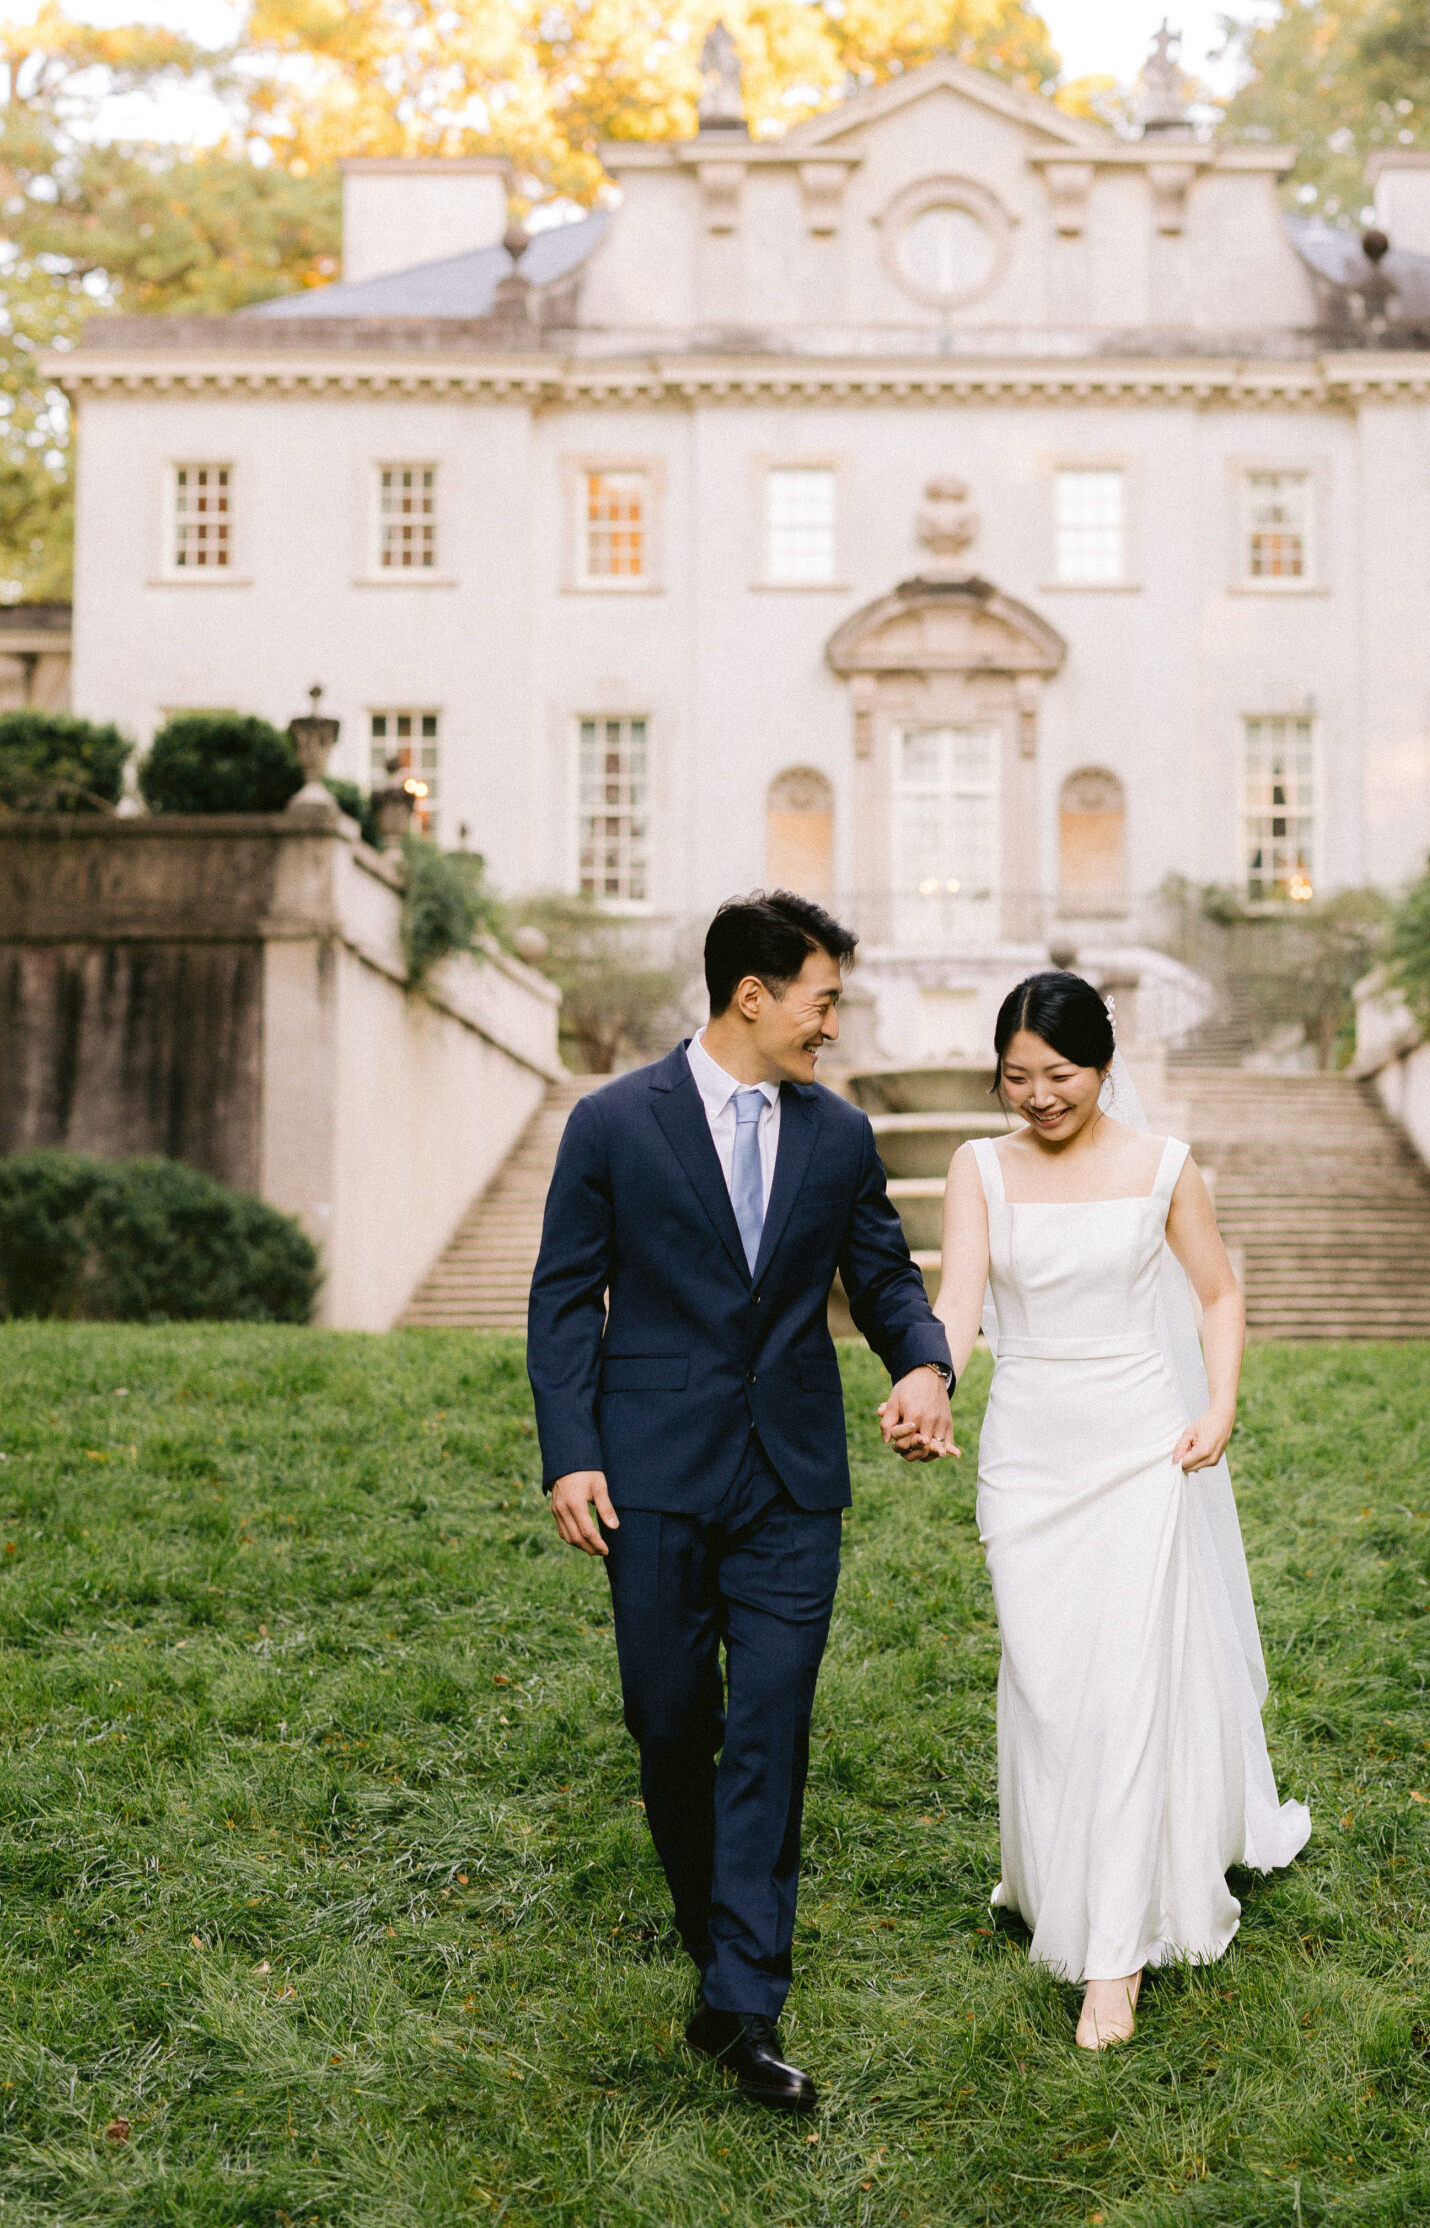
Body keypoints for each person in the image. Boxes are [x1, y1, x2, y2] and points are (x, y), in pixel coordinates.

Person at [526, 892, 954, 2112]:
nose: (834, 1022)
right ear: (751, 995)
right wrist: (572, 1452)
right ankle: (716, 1928)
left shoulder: (841, 1134)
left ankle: (741, 1999)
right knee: (670, 1725)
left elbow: (881, 1273)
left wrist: (921, 1362)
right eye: (822, 998)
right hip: (650, 1476)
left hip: (792, 1483)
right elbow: (565, 1300)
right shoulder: (611, 1123)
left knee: (769, 1727)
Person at [922, 970, 1311, 2049]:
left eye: (1059, 1074)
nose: (1037, 1097)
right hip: (1030, 1455)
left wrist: (1221, 1401)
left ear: (1102, 1065)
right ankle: (1056, 1878)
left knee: (1132, 1680)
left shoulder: (1164, 1167)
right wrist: (932, 1380)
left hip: (1142, 1441)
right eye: (1015, 1077)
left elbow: (1218, 1292)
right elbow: (956, 1302)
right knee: (1052, 1683)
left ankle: (1116, 1959)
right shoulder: (977, 1168)